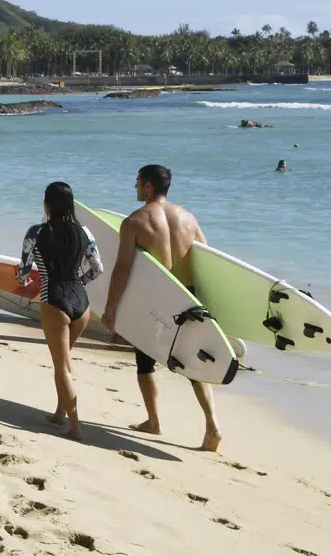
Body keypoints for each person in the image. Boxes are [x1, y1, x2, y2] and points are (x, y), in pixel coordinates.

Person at [102, 164, 222, 452]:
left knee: (144, 361)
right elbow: (208, 262)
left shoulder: (134, 222)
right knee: (192, 363)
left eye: (137, 181)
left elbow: (122, 268)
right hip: (188, 298)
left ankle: (154, 421)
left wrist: (111, 308)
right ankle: (212, 425)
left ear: (148, 187)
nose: (134, 186)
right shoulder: (189, 218)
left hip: (157, 298)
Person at [18, 182, 104, 440]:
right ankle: (59, 413)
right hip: (81, 304)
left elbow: (24, 270)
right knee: (64, 363)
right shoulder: (84, 231)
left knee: (62, 367)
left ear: (47, 204)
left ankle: (75, 428)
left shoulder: (36, 232)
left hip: (54, 301)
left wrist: (25, 282)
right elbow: (97, 268)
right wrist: (78, 284)